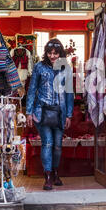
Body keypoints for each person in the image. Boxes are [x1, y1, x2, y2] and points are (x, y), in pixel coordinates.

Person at [26, 38, 74, 190]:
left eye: (55, 53)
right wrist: (28, 112)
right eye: (50, 53)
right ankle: (47, 176)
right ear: (46, 53)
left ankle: (54, 172)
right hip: (42, 111)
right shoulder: (39, 67)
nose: (52, 56)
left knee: (58, 146)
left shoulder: (66, 68)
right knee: (47, 143)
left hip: (60, 112)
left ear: (60, 54)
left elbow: (69, 93)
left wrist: (69, 115)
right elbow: (32, 89)